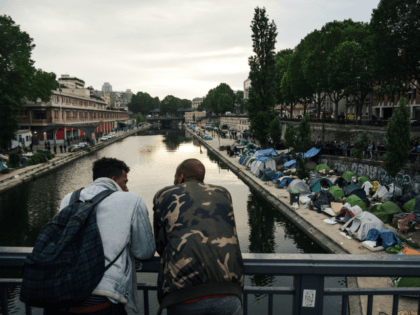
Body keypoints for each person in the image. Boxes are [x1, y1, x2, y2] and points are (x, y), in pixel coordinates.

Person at [44, 157, 156, 315]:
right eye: (125, 182)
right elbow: (144, 251)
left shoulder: (69, 198)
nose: (126, 188)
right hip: (102, 299)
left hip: (61, 293)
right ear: (114, 180)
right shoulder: (132, 200)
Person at [153, 159, 244, 315]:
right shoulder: (223, 193)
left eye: (175, 177)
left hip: (184, 295)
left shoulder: (164, 194)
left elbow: (161, 245)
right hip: (229, 292)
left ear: (180, 177)